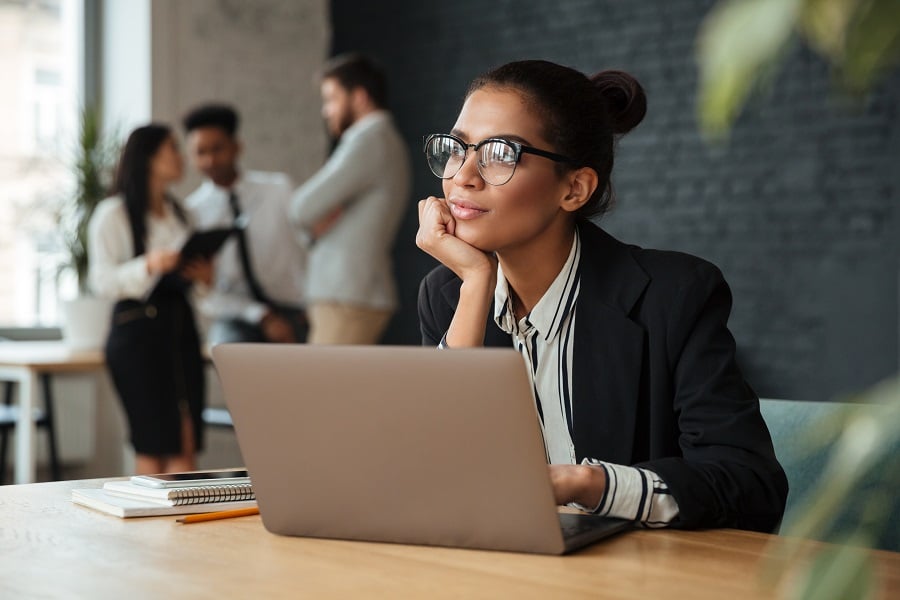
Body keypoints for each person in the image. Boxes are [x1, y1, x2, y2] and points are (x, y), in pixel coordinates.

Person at [416, 60, 788, 532]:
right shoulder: (449, 294)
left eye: (499, 154)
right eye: (457, 149)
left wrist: (587, 484)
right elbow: (433, 476)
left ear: (574, 189)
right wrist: (473, 284)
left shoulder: (673, 297)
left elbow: (751, 486)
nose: (462, 176)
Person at [88, 124, 211, 475]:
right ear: (148, 158)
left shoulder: (183, 214)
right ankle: (152, 527)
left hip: (180, 331)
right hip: (137, 338)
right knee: (154, 443)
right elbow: (101, 281)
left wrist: (202, 278)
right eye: (172, 148)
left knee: (185, 441)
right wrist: (148, 265)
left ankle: (182, 525)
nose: (181, 156)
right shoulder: (113, 214)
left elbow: (200, 290)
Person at [289, 53, 411, 345]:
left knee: (321, 389)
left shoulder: (369, 139)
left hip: (347, 293)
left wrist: (321, 217)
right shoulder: (383, 139)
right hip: (353, 292)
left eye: (331, 99)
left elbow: (301, 208)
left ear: (359, 97)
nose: (326, 111)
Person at [183, 104, 307, 345]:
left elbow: (310, 246)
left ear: (236, 146)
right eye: (200, 152)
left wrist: (313, 303)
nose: (210, 160)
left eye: (217, 149)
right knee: (227, 353)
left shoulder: (279, 189)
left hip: (295, 310)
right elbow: (206, 294)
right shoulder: (192, 214)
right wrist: (262, 316)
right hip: (237, 316)